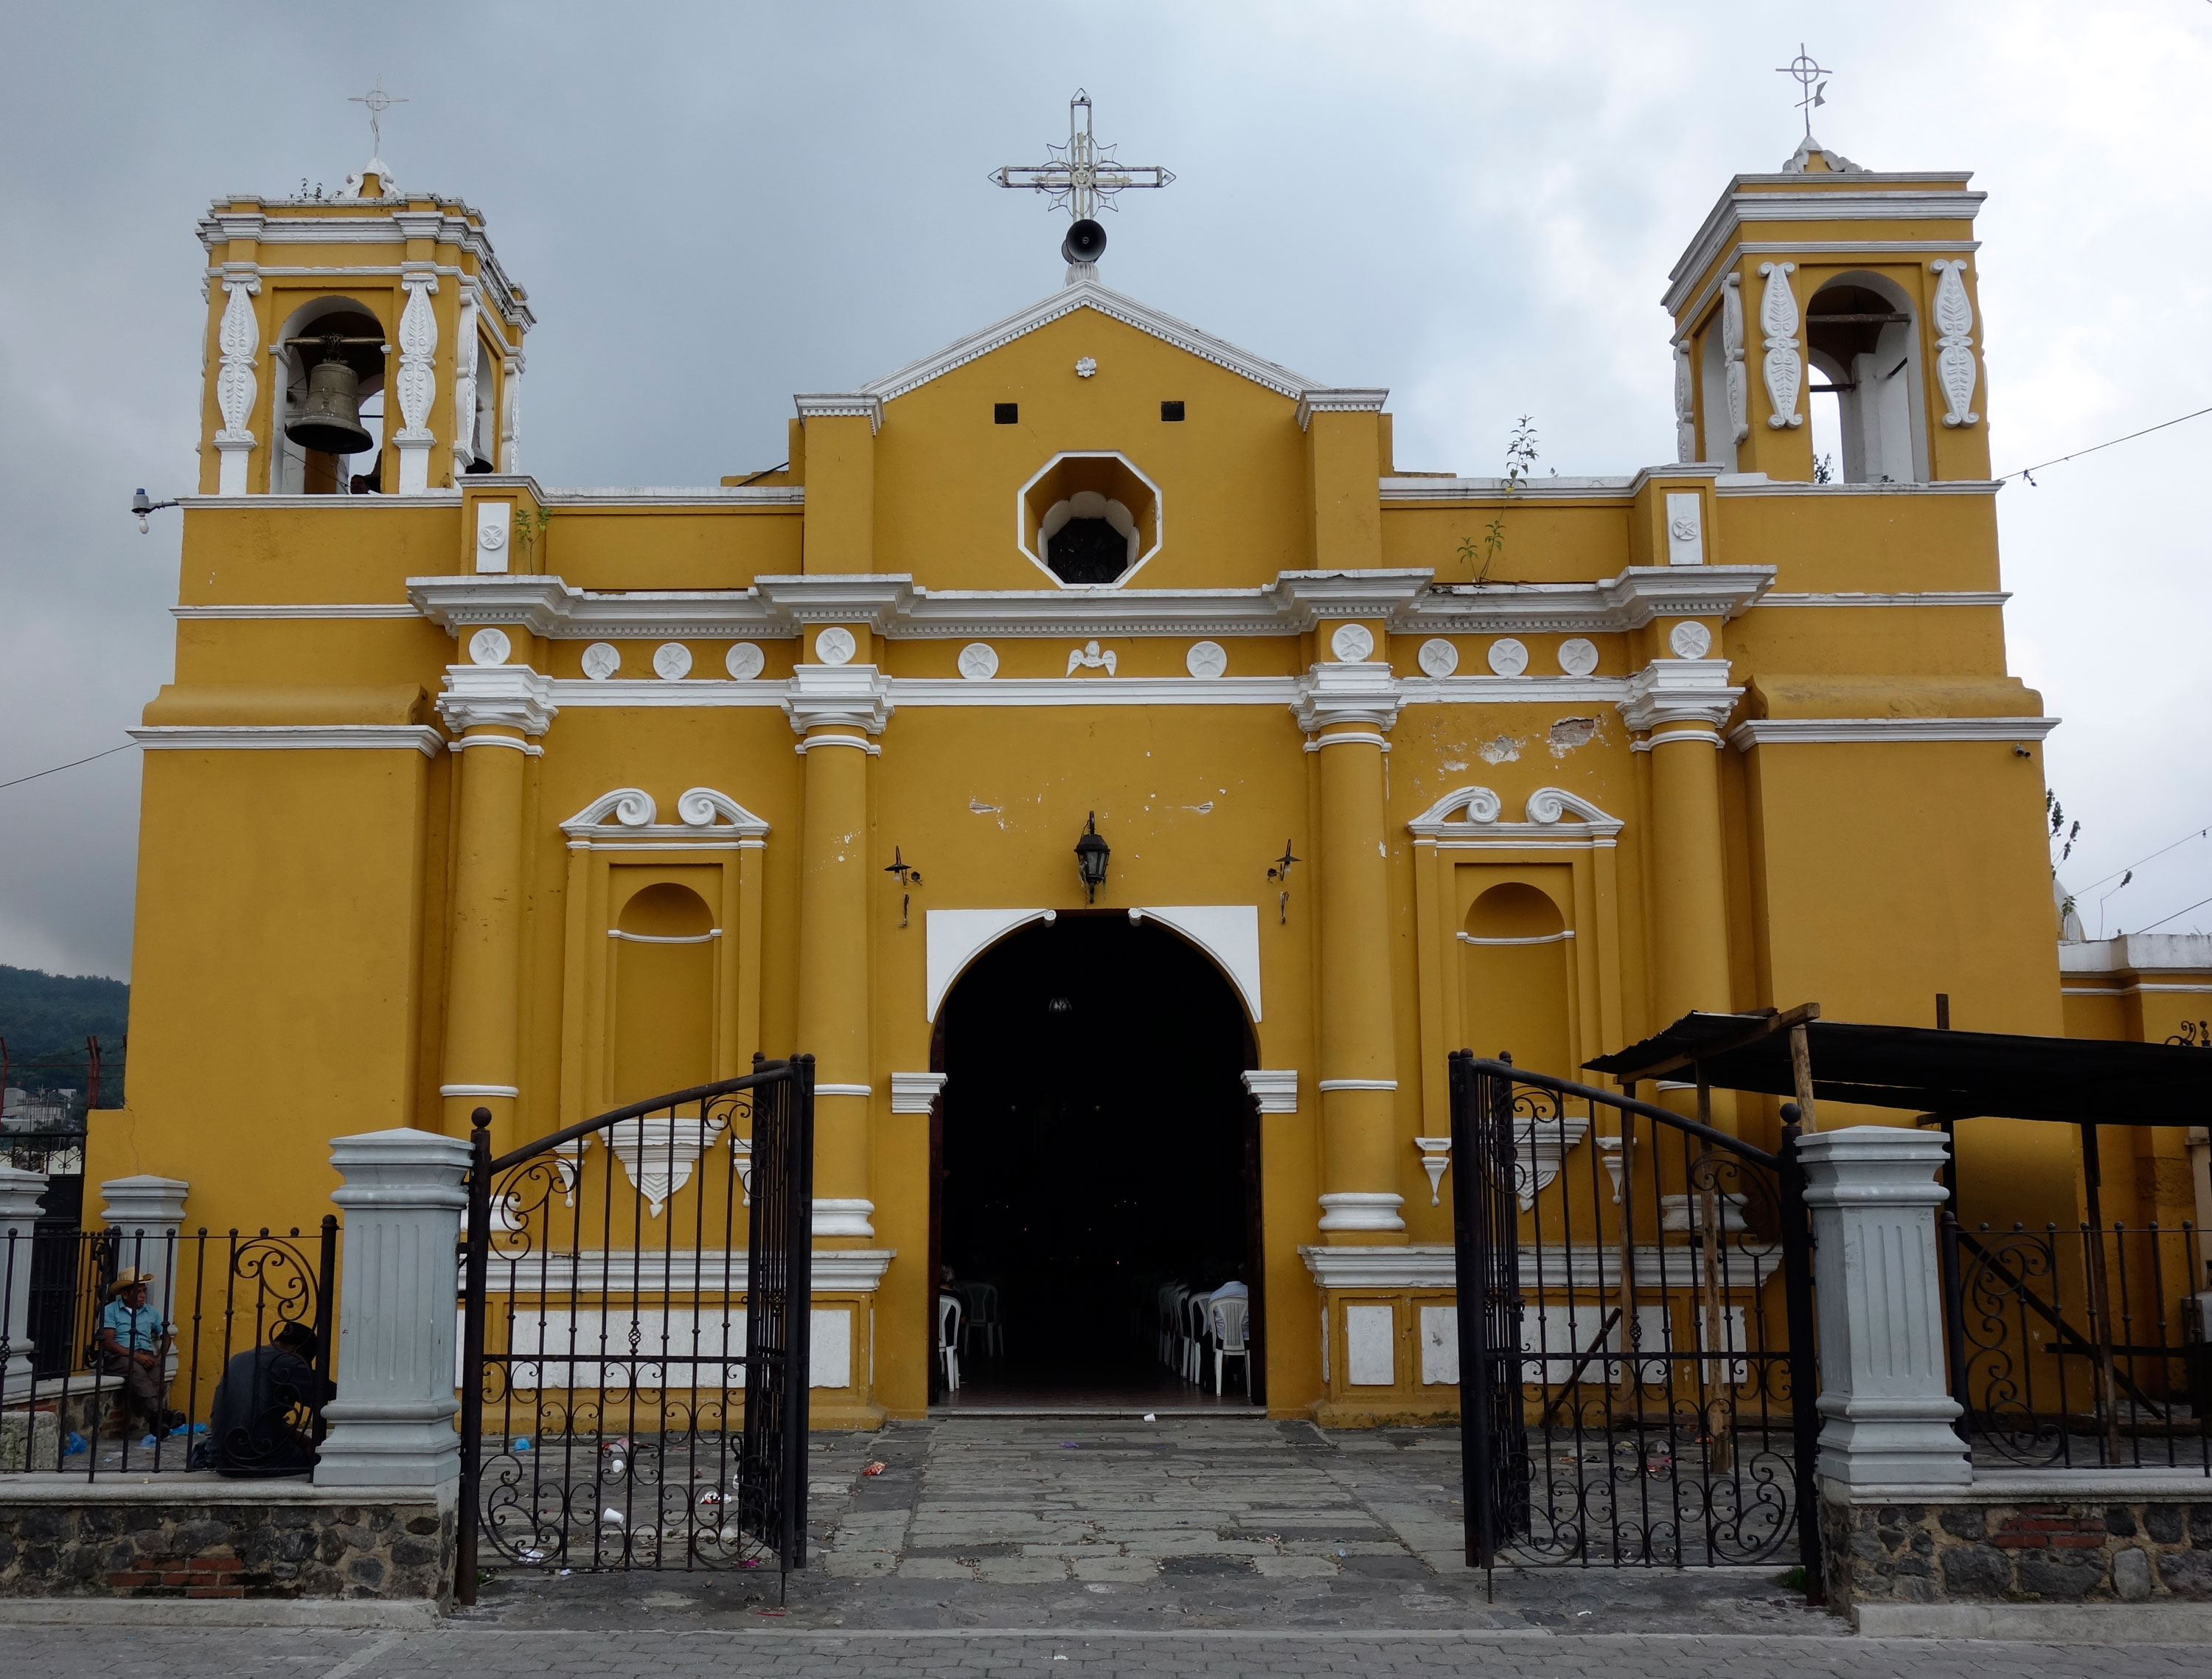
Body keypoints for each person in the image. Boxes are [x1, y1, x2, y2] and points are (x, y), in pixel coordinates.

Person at [210, 1321, 335, 1477]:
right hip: (259, 1461)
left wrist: (302, 1440)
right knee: (326, 1461)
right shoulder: (289, 1362)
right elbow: (328, 1392)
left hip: (223, 1460)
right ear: (300, 1352)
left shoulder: (240, 1358)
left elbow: (259, 1416)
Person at [97, 1269, 178, 1437]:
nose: (143, 1295)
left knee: (157, 1377)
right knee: (137, 1372)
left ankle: (157, 1421)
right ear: (125, 1294)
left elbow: (166, 1337)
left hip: (146, 1354)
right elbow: (108, 1342)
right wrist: (136, 1356)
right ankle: (162, 1415)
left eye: (144, 1291)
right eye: (138, 1292)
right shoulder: (111, 1310)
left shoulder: (151, 1312)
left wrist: (160, 1358)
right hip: (120, 1356)